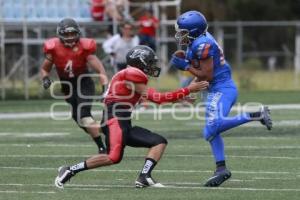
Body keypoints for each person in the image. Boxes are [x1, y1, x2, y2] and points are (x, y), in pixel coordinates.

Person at [54, 45, 209, 189]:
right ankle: (69, 170)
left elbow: (146, 98)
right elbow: (158, 98)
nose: (152, 66)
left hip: (122, 122)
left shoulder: (127, 75)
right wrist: (187, 90)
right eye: (149, 62)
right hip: (114, 120)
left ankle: (144, 177)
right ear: (140, 62)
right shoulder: (132, 74)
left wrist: (178, 98)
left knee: (158, 142)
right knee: (113, 157)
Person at [171, 11, 273, 187]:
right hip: (215, 88)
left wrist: (186, 66)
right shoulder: (197, 40)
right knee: (209, 132)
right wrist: (192, 91)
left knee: (214, 126)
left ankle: (256, 114)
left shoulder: (203, 44)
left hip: (222, 88)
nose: (180, 35)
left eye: (183, 32)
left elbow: (208, 75)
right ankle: (221, 169)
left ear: (193, 31)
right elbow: (202, 73)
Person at [40, 18, 108, 154]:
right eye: (67, 34)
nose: (70, 37)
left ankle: (102, 148)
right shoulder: (53, 48)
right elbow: (44, 69)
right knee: (79, 119)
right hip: (67, 85)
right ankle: (106, 131)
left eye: (73, 34)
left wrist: (105, 88)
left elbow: (100, 70)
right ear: (60, 34)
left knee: (84, 115)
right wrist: (45, 78)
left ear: (78, 33)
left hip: (83, 82)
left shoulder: (85, 47)